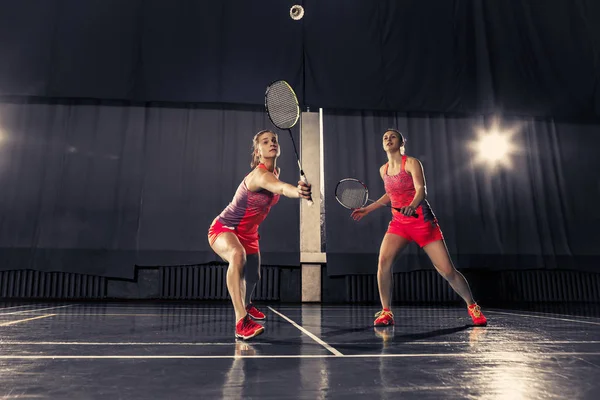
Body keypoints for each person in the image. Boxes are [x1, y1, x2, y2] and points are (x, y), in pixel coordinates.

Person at [351, 129, 487, 327]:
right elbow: (390, 194)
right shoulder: (383, 170)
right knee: (383, 262)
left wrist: (412, 206)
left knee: (447, 271)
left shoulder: (412, 163)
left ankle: (472, 306)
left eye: (392, 137)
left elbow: (421, 190)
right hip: (398, 223)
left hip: (422, 221)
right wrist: (368, 209)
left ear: (401, 142)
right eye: (385, 138)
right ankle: (386, 312)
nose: (388, 139)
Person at [208, 129, 311, 340]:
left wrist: (296, 191)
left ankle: (247, 303)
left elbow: (279, 185)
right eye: (265, 142)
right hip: (226, 228)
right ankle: (241, 321)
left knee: (254, 276)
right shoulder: (260, 175)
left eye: (274, 140)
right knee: (237, 256)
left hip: (249, 233)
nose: (271, 143)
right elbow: (281, 188)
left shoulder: (275, 172)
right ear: (258, 151)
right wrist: (298, 191)